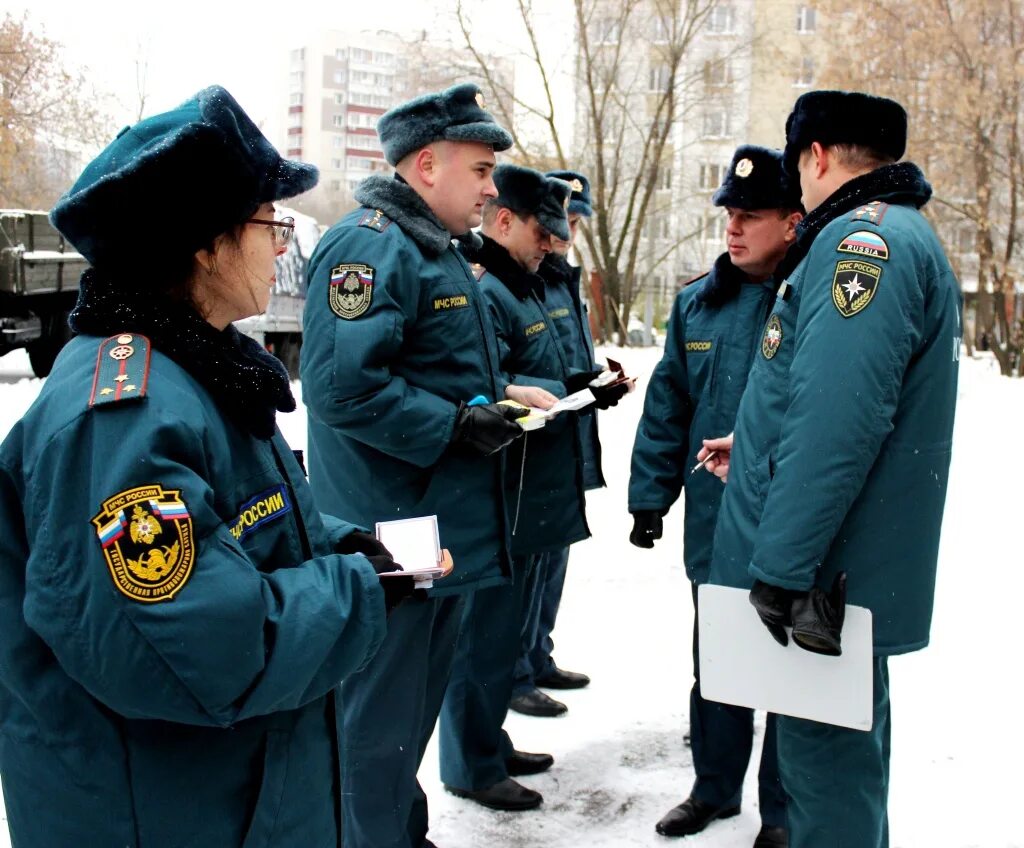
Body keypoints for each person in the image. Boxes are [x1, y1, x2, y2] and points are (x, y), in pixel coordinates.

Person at [0, 85, 397, 848]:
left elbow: (232, 523)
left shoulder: (193, 372)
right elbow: (199, 649)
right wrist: (355, 589)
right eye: (267, 223)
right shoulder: (124, 414)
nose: (280, 245)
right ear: (203, 243)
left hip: (225, 797)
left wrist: (337, 544)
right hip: (168, 812)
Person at [702, 91, 961, 848]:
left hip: (821, 585)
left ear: (816, 155)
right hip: (838, 572)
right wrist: (750, 449)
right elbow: (828, 407)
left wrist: (780, 566)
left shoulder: (860, 243)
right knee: (839, 766)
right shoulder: (890, 234)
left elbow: (837, 422)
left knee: (826, 785)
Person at [300, 83, 543, 848]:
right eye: (478, 170)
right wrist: (453, 427)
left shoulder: (431, 253)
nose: (489, 189)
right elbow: (342, 386)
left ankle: (400, 835)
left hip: (434, 524)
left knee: (409, 714)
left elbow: (428, 370)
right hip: (390, 529)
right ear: (427, 165)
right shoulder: (369, 246)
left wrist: (496, 397)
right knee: (377, 720)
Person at [628, 146, 800, 847]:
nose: (733, 229)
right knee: (719, 664)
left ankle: (783, 811)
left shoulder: (813, 298)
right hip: (713, 520)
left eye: (750, 216)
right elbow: (668, 404)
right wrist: (650, 496)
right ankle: (714, 788)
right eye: (729, 214)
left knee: (789, 670)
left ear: (792, 223)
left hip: (790, 519)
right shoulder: (698, 303)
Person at [439, 164, 609, 811]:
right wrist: (518, 392)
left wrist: (586, 385)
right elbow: (476, 381)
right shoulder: (489, 291)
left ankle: (488, 743)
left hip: (532, 481)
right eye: (542, 231)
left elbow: (534, 366)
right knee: (482, 634)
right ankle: (470, 764)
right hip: (501, 485)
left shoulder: (526, 285)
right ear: (503, 219)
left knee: (502, 636)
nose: (551, 243)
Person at [507, 169, 609, 719]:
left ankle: (537, 653)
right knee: (533, 562)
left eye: (574, 221)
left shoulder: (564, 278)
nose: (567, 232)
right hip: (537, 443)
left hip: (570, 435)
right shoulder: (526, 278)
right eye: (562, 221)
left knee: (556, 560)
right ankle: (517, 669)